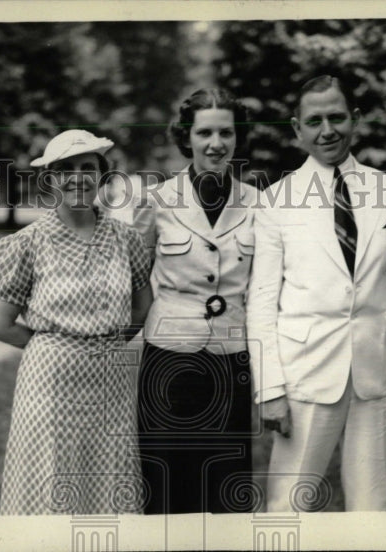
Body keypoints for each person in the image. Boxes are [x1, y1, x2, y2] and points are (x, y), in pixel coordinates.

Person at [246, 75, 386, 512]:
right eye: (315, 120)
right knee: (288, 506)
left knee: (372, 505)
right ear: (296, 128)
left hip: (374, 374)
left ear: (355, 119)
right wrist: (270, 389)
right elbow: (262, 303)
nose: (328, 130)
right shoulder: (276, 201)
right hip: (306, 374)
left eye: (337, 117)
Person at [0, 129, 153, 515]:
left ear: (102, 175)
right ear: (50, 179)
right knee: (49, 480)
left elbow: (142, 308)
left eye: (87, 168)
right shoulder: (26, 243)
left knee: (109, 476)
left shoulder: (126, 240)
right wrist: (56, 344)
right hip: (49, 382)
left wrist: (103, 342)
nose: (78, 177)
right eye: (66, 169)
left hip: (110, 381)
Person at [132, 88, 258, 514]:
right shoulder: (158, 200)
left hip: (231, 359)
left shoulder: (259, 203)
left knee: (227, 488)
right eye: (205, 132)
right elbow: (134, 277)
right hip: (168, 360)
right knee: (166, 487)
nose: (216, 143)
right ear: (186, 137)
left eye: (226, 132)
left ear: (238, 138)